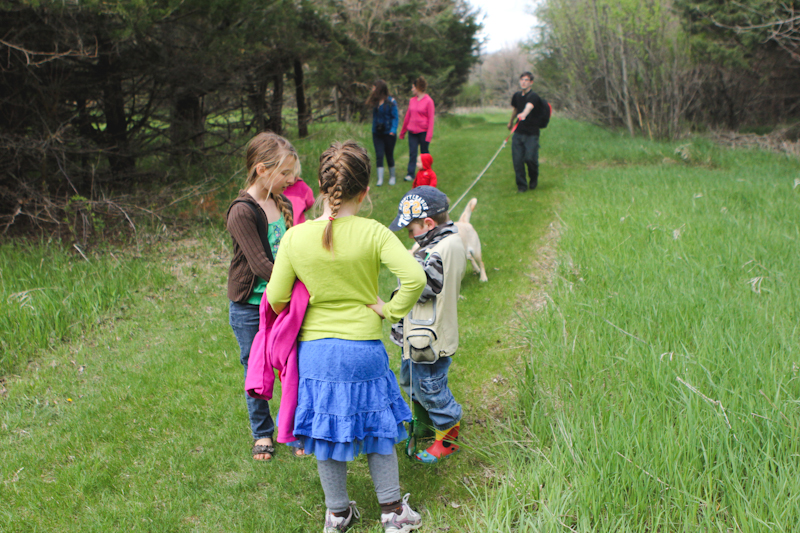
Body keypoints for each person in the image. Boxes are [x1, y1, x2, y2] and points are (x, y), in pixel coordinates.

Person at [266, 141, 426, 533]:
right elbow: (415, 277)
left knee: (325, 430)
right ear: (365, 191)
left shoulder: (295, 238)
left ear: (321, 188)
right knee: (378, 426)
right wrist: (390, 310)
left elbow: (275, 297)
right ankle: (393, 512)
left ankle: (337, 514)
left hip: (315, 353)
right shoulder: (374, 232)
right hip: (363, 349)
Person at [226, 132, 301, 461]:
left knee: (291, 365)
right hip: (250, 306)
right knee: (256, 368)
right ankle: (262, 432)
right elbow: (260, 264)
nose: (291, 180)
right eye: (285, 173)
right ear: (261, 169)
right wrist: (298, 283)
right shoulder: (242, 211)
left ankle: (294, 428)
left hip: (281, 302)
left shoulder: (282, 203)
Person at [388, 186, 467, 464]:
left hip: (429, 339)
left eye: (411, 230)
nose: (410, 236)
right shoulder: (436, 245)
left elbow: (423, 287)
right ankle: (425, 423)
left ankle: (447, 435)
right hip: (418, 335)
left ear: (429, 224)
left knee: (431, 386)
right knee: (411, 380)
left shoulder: (441, 249)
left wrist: (403, 262)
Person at [508, 71, 544, 193]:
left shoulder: (534, 96)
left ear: (531, 82)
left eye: (526, 80)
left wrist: (524, 113)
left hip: (532, 134)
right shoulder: (517, 96)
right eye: (522, 80)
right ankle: (522, 186)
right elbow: (515, 109)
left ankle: (533, 177)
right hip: (518, 133)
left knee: (530, 159)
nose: (523, 82)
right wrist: (510, 122)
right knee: (517, 161)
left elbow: (529, 106)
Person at [399, 76, 435, 183]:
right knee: (412, 153)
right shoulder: (412, 101)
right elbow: (407, 117)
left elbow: (431, 119)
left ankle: (427, 173)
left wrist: (429, 136)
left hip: (423, 132)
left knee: (424, 154)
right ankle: (410, 174)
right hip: (412, 133)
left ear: (418, 87)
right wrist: (403, 132)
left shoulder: (429, 101)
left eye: (413, 87)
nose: (412, 89)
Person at [366, 80, 399, 187]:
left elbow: (395, 117)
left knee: (389, 155)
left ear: (379, 89)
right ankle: (380, 179)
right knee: (379, 155)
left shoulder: (391, 102)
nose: (372, 89)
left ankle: (392, 177)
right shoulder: (375, 102)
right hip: (377, 133)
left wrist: (393, 130)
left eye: (374, 87)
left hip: (389, 133)